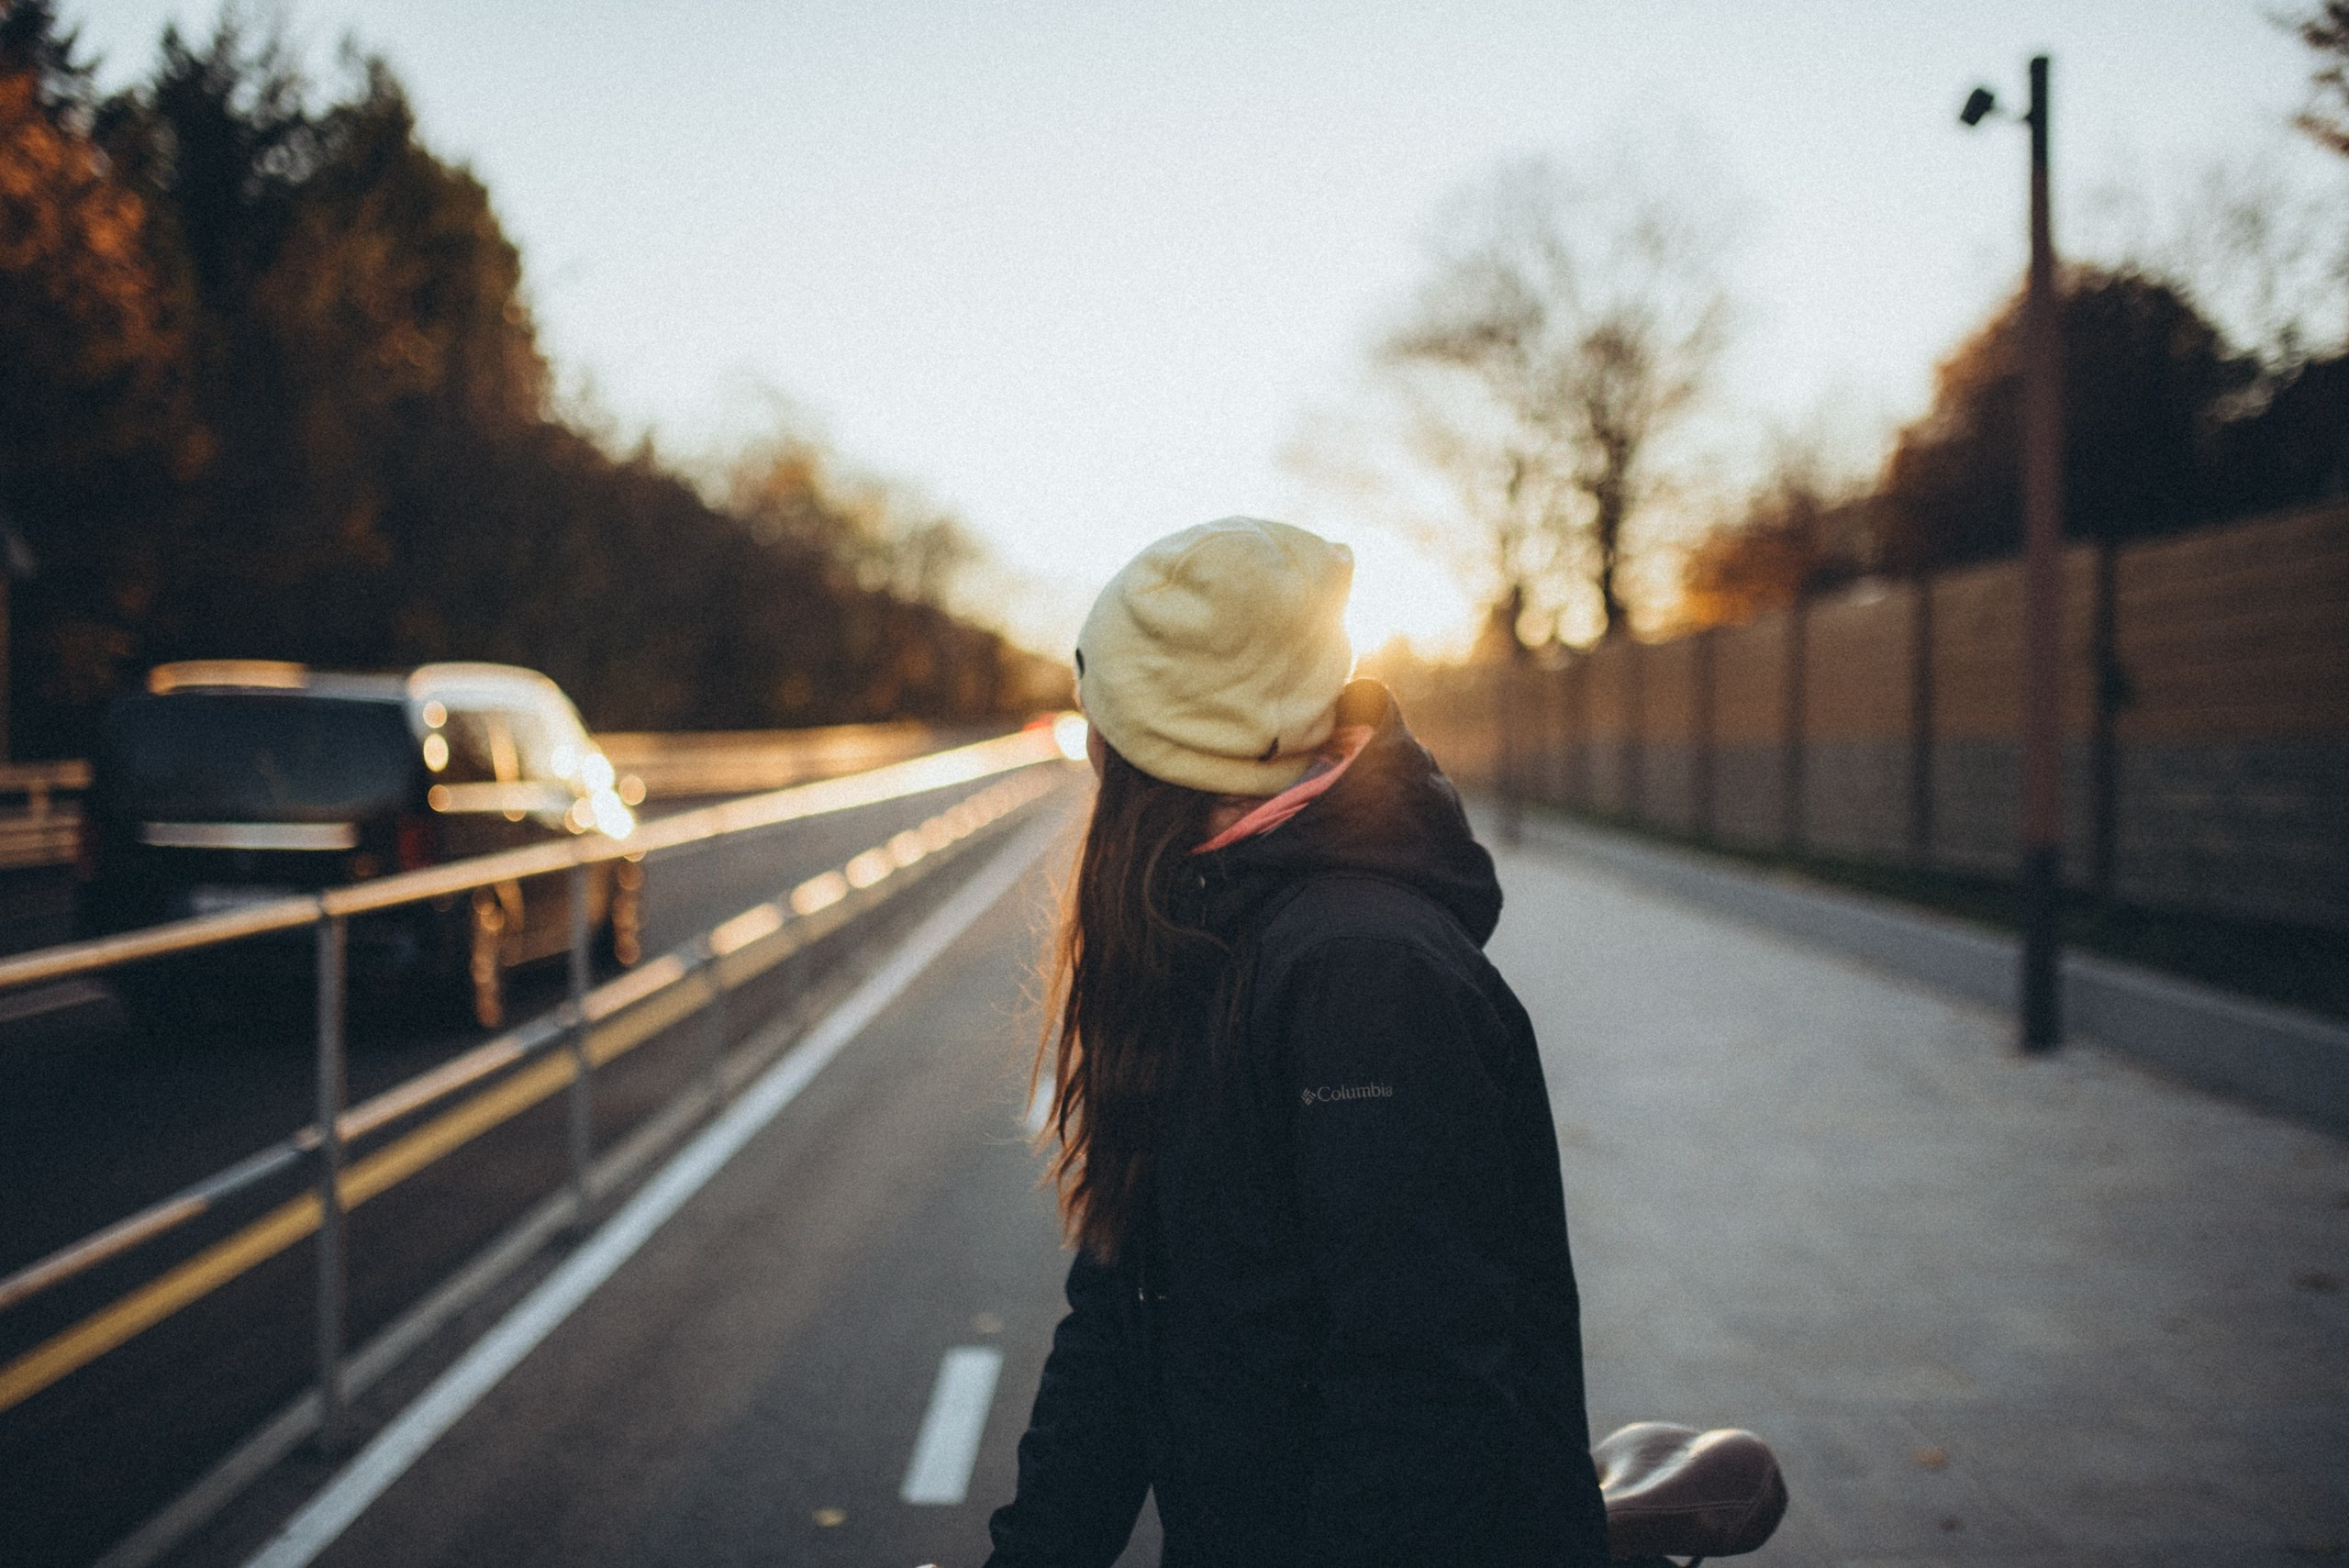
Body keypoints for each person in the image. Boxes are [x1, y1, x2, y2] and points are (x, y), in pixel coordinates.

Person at [983, 517, 1611, 1568]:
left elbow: (1421, 1398)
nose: (1093, 755)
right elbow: (1121, 1317)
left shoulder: (1362, 973)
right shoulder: (1208, 922)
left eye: (1107, 725)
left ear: (1165, 745)